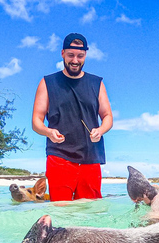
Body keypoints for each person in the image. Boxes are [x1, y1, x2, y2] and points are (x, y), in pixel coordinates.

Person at [31, 33, 113, 201]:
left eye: (80, 56)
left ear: (85, 56)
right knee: (61, 210)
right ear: (63, 54)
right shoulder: (47, 83)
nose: (75, 60)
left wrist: (100, 130)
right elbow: (36, 121)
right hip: (59, 156)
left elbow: (107, 116)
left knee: (90, 210)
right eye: (71, 55)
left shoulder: (97, 83)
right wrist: (48, 132)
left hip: (91, 156)